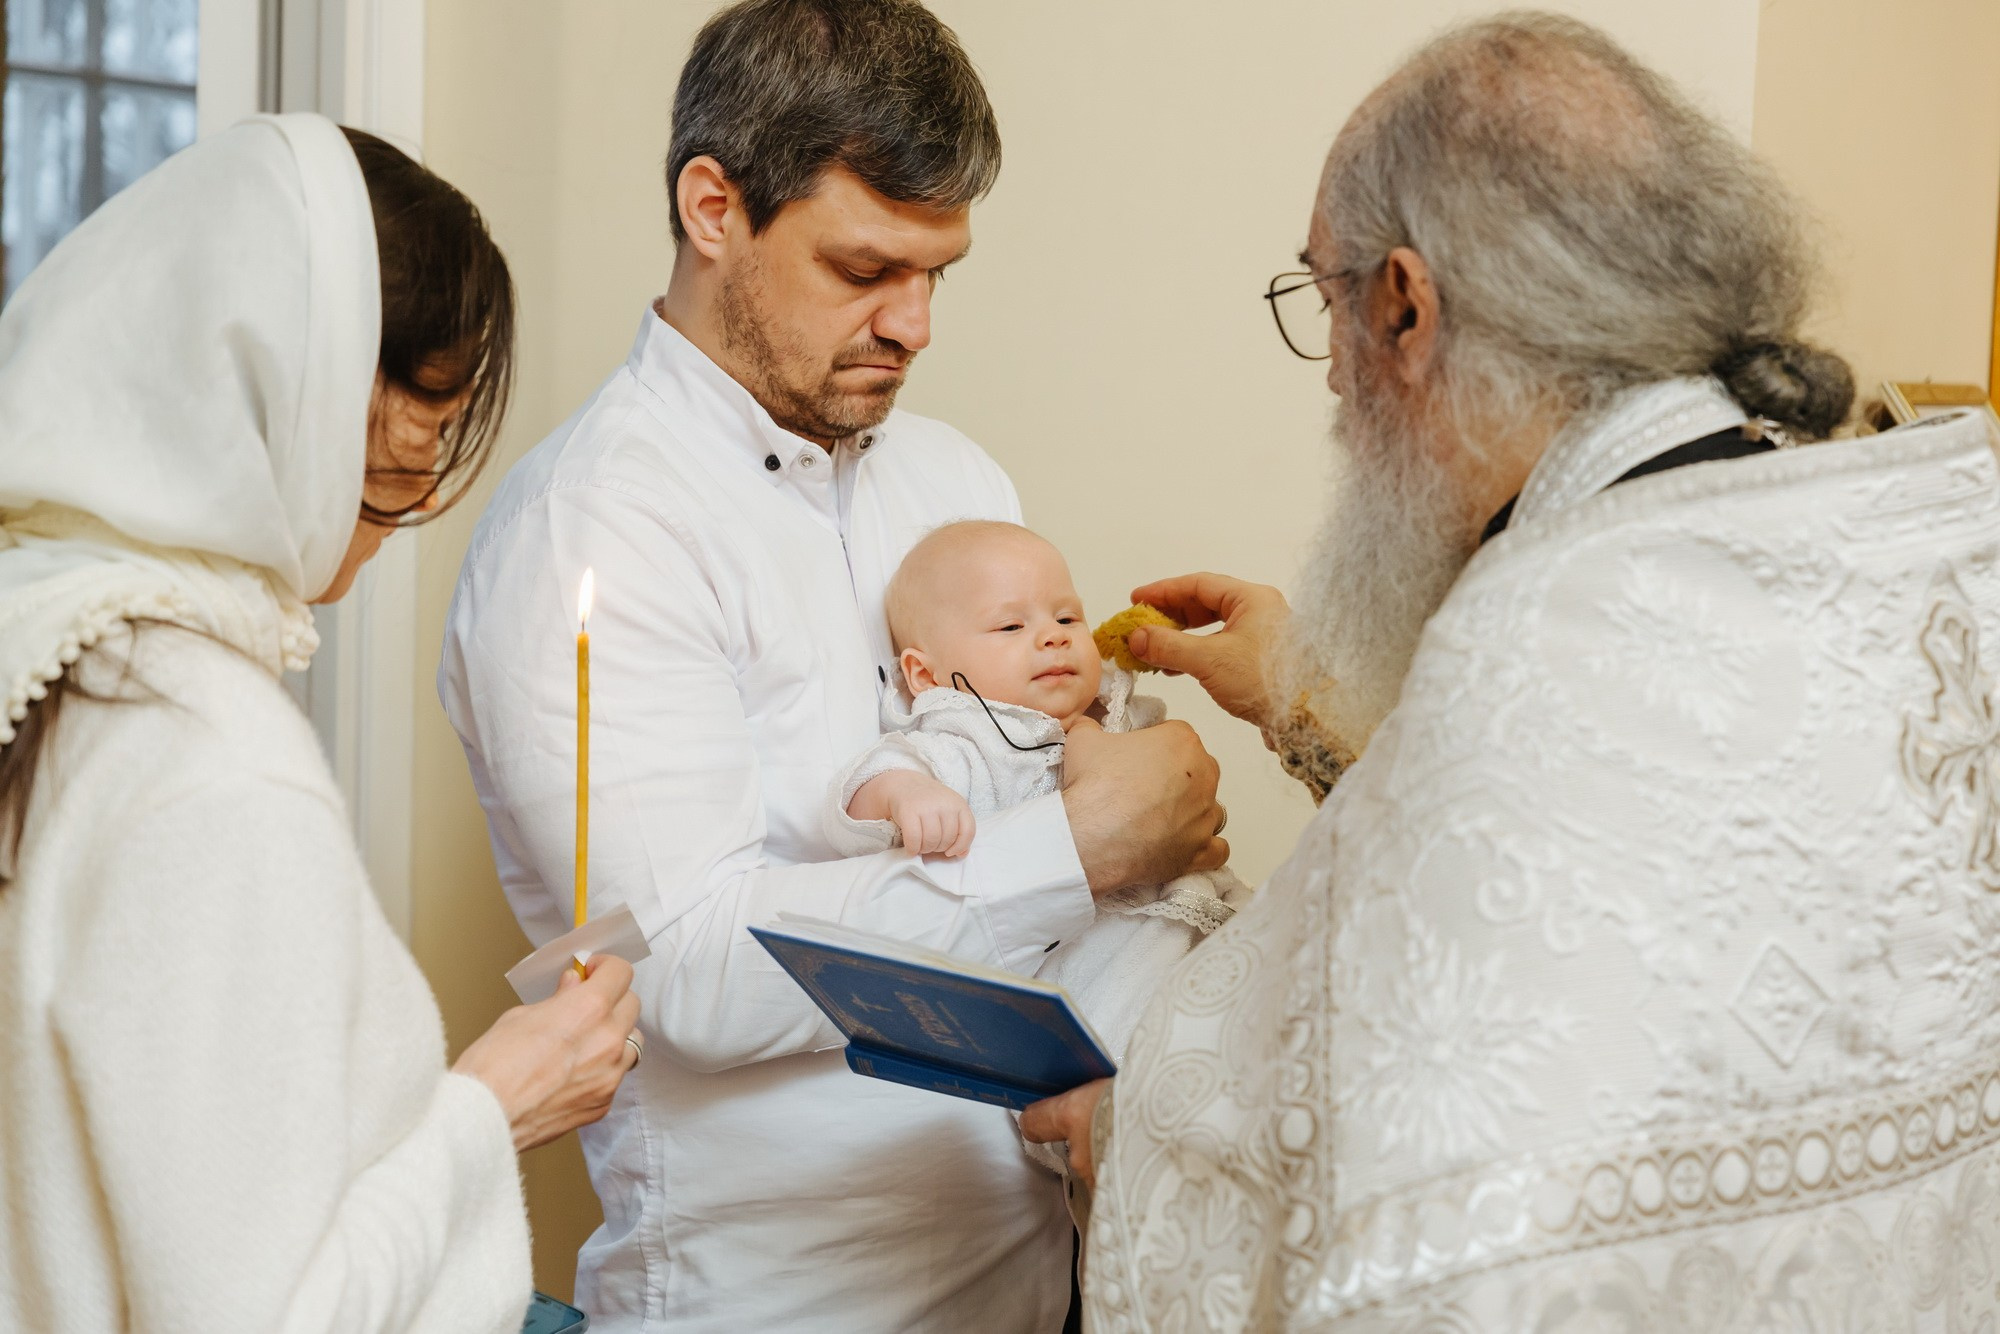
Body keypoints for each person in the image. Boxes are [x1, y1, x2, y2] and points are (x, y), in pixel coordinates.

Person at [1023, 13, 2000, 1330]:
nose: (1331, 382)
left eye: (1325, 301)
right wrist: (1302, 697)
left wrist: (1126, 1151)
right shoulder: (1913, 539)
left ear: (1405, 306)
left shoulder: (1538, 636)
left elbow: (1398, 1215)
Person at [438, 2, 1225, 1329]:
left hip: (1046, 1275)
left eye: (937, 274)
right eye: (866, 268)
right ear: (712, 206)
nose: (913, 324)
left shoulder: (958, 480)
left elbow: (1024, 804)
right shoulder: (590, 527)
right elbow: (686, 967)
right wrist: (1081, 849)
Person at [0, 115, 640, 1333]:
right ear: (292, 381)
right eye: (426, 412)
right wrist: (496, 1100)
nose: (424, 468)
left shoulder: (42, 633)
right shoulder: (206, 756)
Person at [829, 520, 1245, 1169]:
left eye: (1065, 616)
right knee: (1143, 1086)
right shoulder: (962, 744)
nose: (1051, 635)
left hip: (1199, 938)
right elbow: (861, 787)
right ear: (926, 673)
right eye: (1010, 627)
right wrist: (908, 795)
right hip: (1091, 974)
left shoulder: (1123, 713)